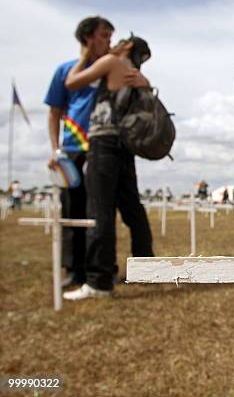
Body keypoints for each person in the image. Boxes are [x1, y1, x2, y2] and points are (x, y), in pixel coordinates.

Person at [62, 35, 154, 300]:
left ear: (126, 46)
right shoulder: (137, 75)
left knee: (99, 211)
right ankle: (147, 269)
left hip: (104, 144)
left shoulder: (112, 62)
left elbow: (72, 82)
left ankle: (99, 281)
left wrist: (84, 56)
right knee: (132, 209)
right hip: (125, 146)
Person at [44, 16, 117, 288]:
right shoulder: (65, 71)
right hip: (73, 151)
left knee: (100, 211)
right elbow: (53, 113)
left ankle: (102, 267)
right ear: (88, 37)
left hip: (104, 149)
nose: (108, 41)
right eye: (103, 35)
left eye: (111, 36)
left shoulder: (110, 69)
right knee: (72, 211)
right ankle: (74, 270)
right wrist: (56, 149)